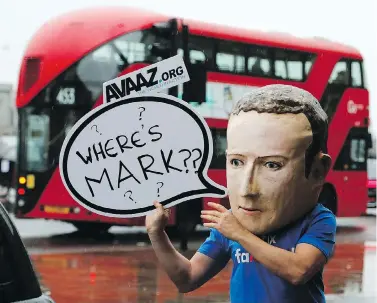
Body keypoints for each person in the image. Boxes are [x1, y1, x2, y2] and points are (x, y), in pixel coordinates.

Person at [146, 84, 336, 303]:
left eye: (272, 165)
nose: (247, 190)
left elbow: (299, 270)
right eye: (236, 162)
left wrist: (239, 234)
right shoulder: (233, 224)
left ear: (317, 171)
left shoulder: (317, 220)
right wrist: (157, 234)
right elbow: (187, 278)